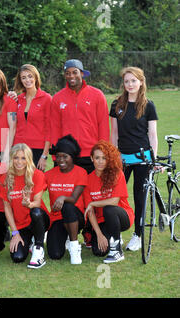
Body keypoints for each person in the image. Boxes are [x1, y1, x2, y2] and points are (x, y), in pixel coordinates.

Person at [110, 66, 158, 252]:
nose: (130, 84)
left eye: (133, 81)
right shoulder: (116, 105)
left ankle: (138, 235)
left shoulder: (148, 105)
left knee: (139, 198)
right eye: (127, 81)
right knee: (115, 196)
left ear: (140, 82)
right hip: (121, 158)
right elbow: (114, 134)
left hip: (142, 159)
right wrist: (114, 158)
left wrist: (152, 161)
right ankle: (116, 233)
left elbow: (152, 135)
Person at [50, 59, 110, 174]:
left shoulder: (97, 95)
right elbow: (55, 128)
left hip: (91, 154)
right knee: (68, 192)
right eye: (68, 73)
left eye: (75, 72)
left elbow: (103, 125)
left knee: (91, 191)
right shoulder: (58, 98)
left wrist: (103, 151)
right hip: (67, 155)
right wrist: (56, 155)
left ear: (82, 73)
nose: (71, 76)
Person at [0, 143, 50, 268]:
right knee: (18, 257)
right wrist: (15, 233)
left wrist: (29, 204)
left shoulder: (37, 174)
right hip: (21, 225)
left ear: (28, 159)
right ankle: (32, 240)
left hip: (38, 219)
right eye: (16, 158)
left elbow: (37, 203)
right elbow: (7, 208)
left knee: (35, 212)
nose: (19, 162)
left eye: (23, 158)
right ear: (12, 159)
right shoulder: (5, 178)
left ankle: (38, 247)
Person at [84, 140, 134, 263]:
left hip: (122, 215)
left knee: (109, 209)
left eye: (104, 158)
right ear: (91, 159)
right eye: (97, 158)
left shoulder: (117, 174)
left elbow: (114, 201)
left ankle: (117, 251)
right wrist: (99, 234)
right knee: (98, 251)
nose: (100, 161)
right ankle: (111, 235)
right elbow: (90, 212)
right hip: (102, 220)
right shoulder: (88, 180)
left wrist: (93, 203)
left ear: (109, 159)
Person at [45, 135, 88, 264]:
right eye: (58, 156)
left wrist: (62, 197)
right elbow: (36, 191)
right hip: (57, 217)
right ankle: (64, 237)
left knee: (68, 206)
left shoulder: (81, 172)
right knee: (55, 254)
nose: (61, 160)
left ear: (72, 157)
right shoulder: (49, 174)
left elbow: (74, 199)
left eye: (65, 156)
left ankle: (74, 246)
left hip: (76, 217)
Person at [12, 64, 52, 170]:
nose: (27, 80)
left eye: (30, 76)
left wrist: (44, 155)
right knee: (18, 183)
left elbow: (49, 129)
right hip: (18, 148)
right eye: (23, 77)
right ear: (20, 80)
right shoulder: (18, 99)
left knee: (36, 184)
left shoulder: (46, 98)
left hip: (37, 149)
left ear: (35, 77)